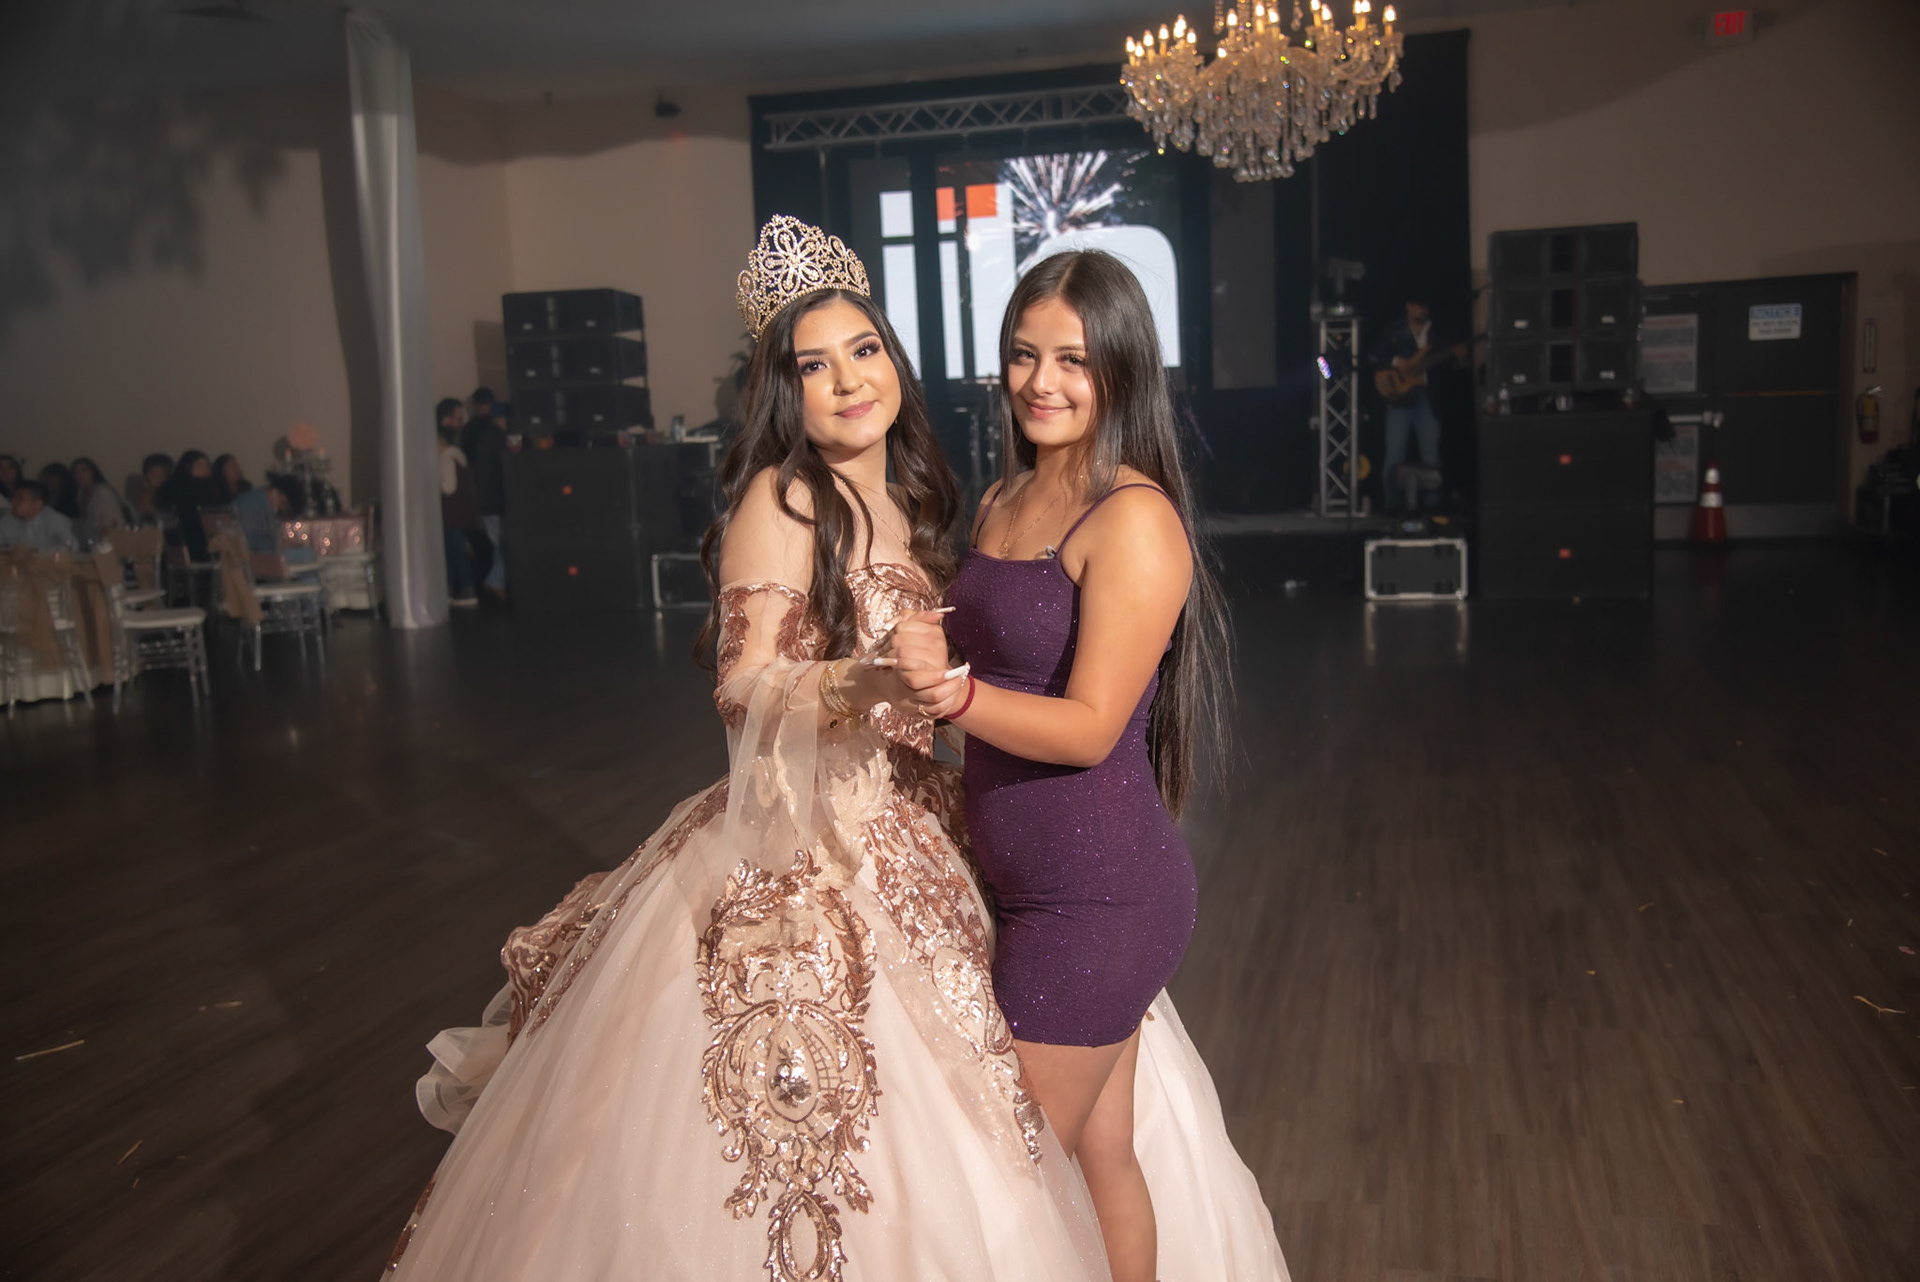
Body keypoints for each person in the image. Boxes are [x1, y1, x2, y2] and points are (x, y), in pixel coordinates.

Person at [385, 217, 1284, 1281]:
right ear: (784, 391)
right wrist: (875, 683)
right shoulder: (800, 499)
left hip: (1057, 872)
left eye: (864, 350)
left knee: (1023, 1169)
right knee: (1025, 1160)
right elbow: (742, 685)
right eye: (815, 365)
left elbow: (1071, 711)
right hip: (862, 841)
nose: (850, 380)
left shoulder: (936, 501)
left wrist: (941, 692)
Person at [905, 250, 1259, 1282]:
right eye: (1024, 355)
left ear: (1123, 369)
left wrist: (953, 697)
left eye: (1073, 359)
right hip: (1020, 886)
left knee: (1000, 1186)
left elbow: (1092, 727)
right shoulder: (1005, 496)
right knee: (1103, 1159)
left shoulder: (1134, 516)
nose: (1042, 382)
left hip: (1099, 901)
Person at [1369, 295, 1463, 512]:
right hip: (1400, 398)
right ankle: (1391, 505)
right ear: (1408, 307)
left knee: (1431, 452)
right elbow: (1372, 356)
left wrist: (1460, 358)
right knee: (1395, 453)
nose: (1422, 311)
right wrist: (1396, 362)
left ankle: (1433, 505)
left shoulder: (1438, 332)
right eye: (1419, 306)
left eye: (1425, 307)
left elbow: (1451, 367)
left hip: (1428, 396)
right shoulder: (1394, 330)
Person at [460, 400, 508, 598]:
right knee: (504, 545)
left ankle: (498, 583)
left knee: (498, 544)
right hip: (496, 502)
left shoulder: (484, 439)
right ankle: (496, 581)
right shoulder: (498, 439)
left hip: (485, 501)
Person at [437, 423, 480, 607]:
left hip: (451, 515)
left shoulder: (446, 458)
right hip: (461, 514)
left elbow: (448, 487)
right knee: (456, 552)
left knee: (454, 553)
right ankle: (457, 589)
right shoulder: (459, 458)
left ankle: (464, 589)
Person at [156, 450, 223, 561]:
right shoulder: (200, 491)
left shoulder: (166, 489)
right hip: (197, 547)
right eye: (199, 466)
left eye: (207, 466)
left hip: (175, 549)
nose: (204, 470)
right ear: (187, 467)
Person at [0, 480, 78, 552]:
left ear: (37, 504)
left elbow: (72, 546)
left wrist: (38, 551)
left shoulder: (54, 519)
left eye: (20, 499)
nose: (13, 502)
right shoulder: (7, 520)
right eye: (13, 498)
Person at [70, 458, 130, 544]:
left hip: (110, 539)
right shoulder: (80, 494)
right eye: (76, 472)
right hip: (91, 540)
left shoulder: (103, 492)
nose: (79, 475)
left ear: (93, 472)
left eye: (83, 470)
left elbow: (111, 522)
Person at [129, 453, 174, 524]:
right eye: (155, 475)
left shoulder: (170, 501)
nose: (160, 479)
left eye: (163, 475)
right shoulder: (135, 499)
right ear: (145, 476)